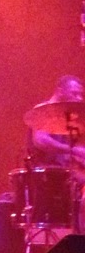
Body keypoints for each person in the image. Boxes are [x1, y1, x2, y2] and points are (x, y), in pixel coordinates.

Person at [25, 74, 85, 232]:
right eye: (75, 93)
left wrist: (78, 157)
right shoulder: (43, 112)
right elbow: (40, 141)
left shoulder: (67, 119)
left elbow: (67, 154)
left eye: (81, 94)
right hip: (45, 177)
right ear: (60, 91)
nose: (79, 98)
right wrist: (72, 150)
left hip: (65, 174)